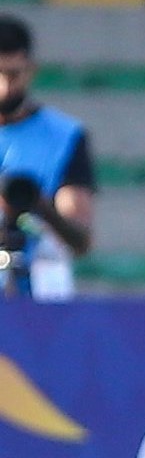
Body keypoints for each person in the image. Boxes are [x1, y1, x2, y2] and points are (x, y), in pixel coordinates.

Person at [0, 16, 96, 300]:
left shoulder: (64, 136)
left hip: (41, 291)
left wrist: (36, 205)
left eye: (14, 75)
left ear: (31, 70)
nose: (5, 87)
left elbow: (79, 238)